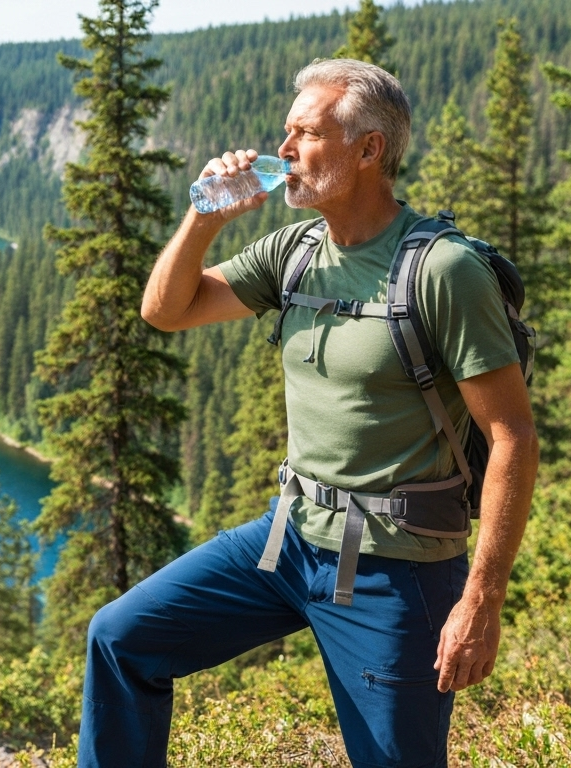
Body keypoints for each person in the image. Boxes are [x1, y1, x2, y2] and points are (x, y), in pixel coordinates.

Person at [77, 58, 539, 768]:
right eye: (285, 133)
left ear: (368, 150)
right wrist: (205, 217)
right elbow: (164, 311)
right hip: (287, 537)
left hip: (397, 567)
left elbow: (510, 437)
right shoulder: (295, 249)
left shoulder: (443, 271)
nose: (283, 150)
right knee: (121, 639)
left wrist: (482, 601)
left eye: (306, 133)